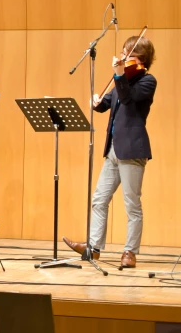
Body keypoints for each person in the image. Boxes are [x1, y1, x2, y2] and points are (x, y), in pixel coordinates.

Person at [63, 36, 157, 269]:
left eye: (128, 54)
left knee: (131, 204)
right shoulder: (122, 80)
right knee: (99, 199)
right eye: (124, 52)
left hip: (133, 150)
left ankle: (130, 252)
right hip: (113, 149)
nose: (124, 57)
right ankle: (94, 249)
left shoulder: (147, 81)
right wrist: (96, 101)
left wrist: (118, 75)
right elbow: (106, 104)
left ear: (141, 58)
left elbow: (127, 98)